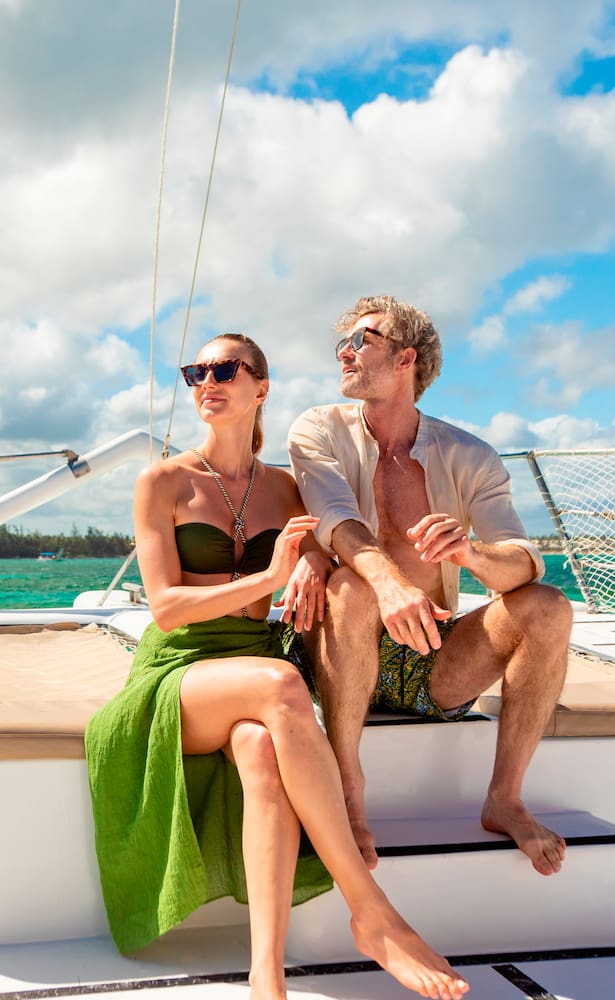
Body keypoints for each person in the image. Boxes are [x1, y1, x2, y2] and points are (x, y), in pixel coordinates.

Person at [86, 334, 468, 1000]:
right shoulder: (164, 482)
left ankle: (267, 975)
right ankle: (369, 910)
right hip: (179, 671)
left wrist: (312, 570)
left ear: (260, 387)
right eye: (195, 371)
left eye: (225, 369)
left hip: (254, 665)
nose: (207, 380)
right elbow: (168, 607)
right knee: (284, 683)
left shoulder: (287, 489)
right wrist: (267, 576)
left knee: (263, 754)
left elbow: (317, 551)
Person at [288, 296, 573, 877]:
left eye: (361, 340)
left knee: (547, 607)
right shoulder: (318, 428)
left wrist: (470, 552)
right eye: (342, 341)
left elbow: (523, 560)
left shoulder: (470, 455)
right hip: (337, 652)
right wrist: (387, 583)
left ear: (405, 359)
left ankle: (505, 798)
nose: (344, 351)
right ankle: (348, 786)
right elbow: (335, 517)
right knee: (352, 588)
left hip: (431, 659)